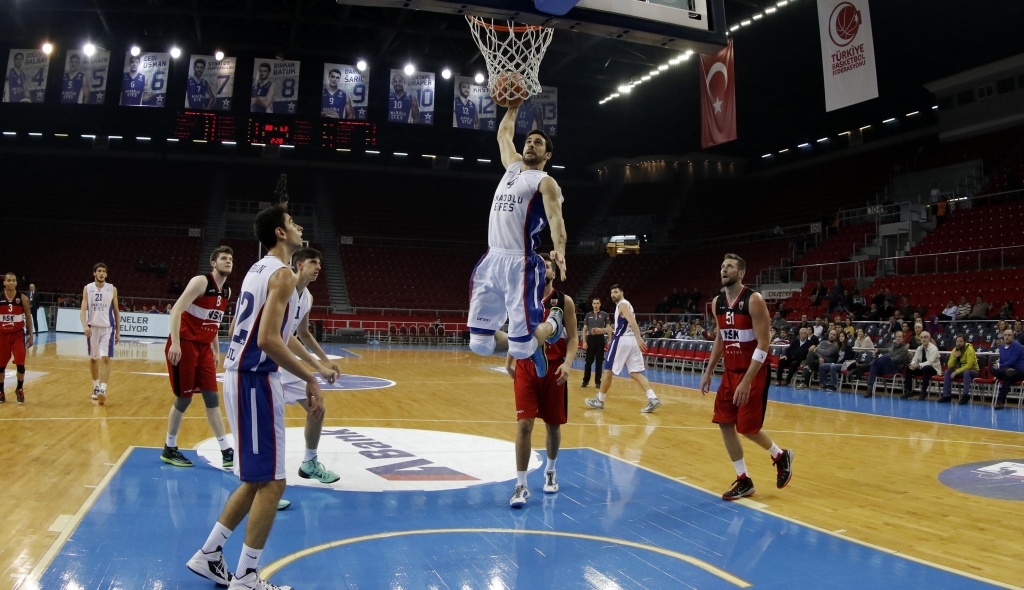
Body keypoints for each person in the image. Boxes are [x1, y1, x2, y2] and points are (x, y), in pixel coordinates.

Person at [186, 203, 323, 590]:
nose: (299, 227)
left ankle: (209, 554)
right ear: (280, 233)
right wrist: (311, 378)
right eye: (293, 223)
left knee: (255, 479)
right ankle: (246, 577)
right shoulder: (280, 275)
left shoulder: (255, 268)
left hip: (241, 375)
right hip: (254, 379)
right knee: (275, 482)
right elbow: (267, 339)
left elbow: (241, 327)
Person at [467, 105, 566, 378]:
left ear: (547, 154)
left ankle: (552, 325)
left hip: (520, 263)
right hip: (491, 259)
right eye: (528, 141)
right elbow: (503, 134)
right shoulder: (512, 167)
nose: (531, 145)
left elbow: (557, 221)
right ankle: (527, 341)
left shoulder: (546, 182)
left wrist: (560, 250)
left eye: (538, 143)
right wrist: (513, 107)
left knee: (521, 349)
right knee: (480, 344)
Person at [699, 254, 793, 501]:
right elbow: (721, 338)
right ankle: (744, 480)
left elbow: (764, 344)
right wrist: (709, 372)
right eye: (722, 266)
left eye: (729, 266)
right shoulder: (716, 302)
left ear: (741, 273)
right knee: (724, 422)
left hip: (754, 372)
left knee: (747, 429)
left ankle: (780, 455)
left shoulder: (754, 300)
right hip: (730, 373)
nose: (724, 269)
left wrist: (747, 380)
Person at [505, 255, 577, 508]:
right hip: (525, 366)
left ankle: (550, 470)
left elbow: (573, 338)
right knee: (524, 425)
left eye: (548, 265)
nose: (544, 268)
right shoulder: (523, 298)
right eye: (541, 265)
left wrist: (568, 364)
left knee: (552, 425)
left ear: (554, 273)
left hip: (554, 368)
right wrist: (508, 361)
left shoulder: (564, 300)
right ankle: (521, 485)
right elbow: (516, 332)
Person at [160, 246, 235, 469]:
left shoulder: (227, 292)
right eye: (223, 258)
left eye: (230, 259)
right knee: (184, 399)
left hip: (204, 348)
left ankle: (226, 450)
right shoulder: (201, 282)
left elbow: (213, 321)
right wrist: (175, 342)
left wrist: (215, 348)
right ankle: (169, 447)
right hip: (184, 345)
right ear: (213, 263)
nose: (228, 261)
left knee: (212, 399)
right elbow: (176, 310)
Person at [277, 247, 342, 484]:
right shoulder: (284, 290)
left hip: (284, 360)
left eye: (320, 264)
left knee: (317, 409)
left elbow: (303, 333)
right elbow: (285, 336)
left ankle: (309, 462)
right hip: (268, 358)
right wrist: (317, 367)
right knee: (270, 421)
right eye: (313, 262)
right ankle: (262, 480)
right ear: (299, 265)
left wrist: (325, 360)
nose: (318, 268)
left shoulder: (307, 297)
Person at [584, 284, 663, 413]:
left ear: (622, 292)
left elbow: (632, 321)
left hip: (622, 341)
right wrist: (603, 330)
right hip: (630, 341)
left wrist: (639, 338)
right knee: (635, 373)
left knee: (608, 370)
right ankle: (653, 398)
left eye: (616, 292)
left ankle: (600, 400)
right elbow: (622, 326)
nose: (613, 295)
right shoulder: (623, 306)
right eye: (611, 293)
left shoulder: (623, 304)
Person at [80, 263, 120, 405]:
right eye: (99, 271)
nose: (101, 273)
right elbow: (83, 309)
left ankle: (103, 389)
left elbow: (116, 311)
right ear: (94, 273)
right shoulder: (87, 288)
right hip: (92, 328)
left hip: (107, 329)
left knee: (106, 359)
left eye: (104, 271)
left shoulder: (112, 289)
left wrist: (118, 331)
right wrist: (84, 325)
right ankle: (96, 387)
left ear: (106, 274)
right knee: (93, 359)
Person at [0, 272, 34, 403]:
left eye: (13, 280)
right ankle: (1, 390)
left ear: (16, 282)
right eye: (9, 280)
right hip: (2, 335)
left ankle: (19, 388)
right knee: (1, 366)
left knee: (21, 365)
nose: (11, 282)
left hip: (18, 335)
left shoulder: (23, 298)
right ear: (4, 282)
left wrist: (31, 336)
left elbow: (29, 317)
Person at [863, 330, 909, 398]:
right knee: (874, 367)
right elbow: (887, 350)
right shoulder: (894, 345)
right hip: (887, 367)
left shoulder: (904, 349)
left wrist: (886, 358)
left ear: (903, 338)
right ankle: (869, 390)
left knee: (887, 357)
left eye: (900, 337)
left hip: (895, 369)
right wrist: (878, 350)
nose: (898, 338)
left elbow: (896, 359)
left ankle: (867, 365)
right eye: (897, 337)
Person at [938, 334, 978, 405]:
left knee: (966, 372)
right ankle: (946, 396)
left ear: (964, 342)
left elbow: (969, 365)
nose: (959, 343)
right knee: (947, 372)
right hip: (960, 371)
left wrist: (956, 371)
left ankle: (965, 396)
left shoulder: (970, 349)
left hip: (973, 370)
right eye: (957, 341)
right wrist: (955, 357)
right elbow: (949, 365)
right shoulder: (954, 350)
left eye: (961, 341)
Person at [901, 331, 940, 400]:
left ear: (929, 338)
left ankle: (923, 392)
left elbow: (930, 362)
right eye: (922, 337)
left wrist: (918, 365)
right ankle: (908, 391)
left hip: (933, 369)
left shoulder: (934, 348)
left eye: (925, 337)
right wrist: (912, 365)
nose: (923, 339)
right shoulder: (919, 348)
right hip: (922, 368)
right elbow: (914, 359)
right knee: (908, 367)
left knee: (926, 368)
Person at [991, 329, 1024, 410]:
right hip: (1006, 370)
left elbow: (1012, 361)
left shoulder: (1017, 346)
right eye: (1005, 335)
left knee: (1008, 375)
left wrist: (1000, 367)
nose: (1007, 337)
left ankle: (1000, 402)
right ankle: (1000, 402)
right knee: (993, 368)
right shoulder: (1001, 347)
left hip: (1019, 371)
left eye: (1009, 335)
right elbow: (1002, 361)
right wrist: (999, 368)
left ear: (1013, 337)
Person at [581, 297, 609, 388]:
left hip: (600, 339)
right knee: (588, 362)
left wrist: (610, 339)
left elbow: (608, 328)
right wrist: (584, 342)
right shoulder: (588, 315)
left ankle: (598, 382)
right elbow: (585, 329)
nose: (596, 305)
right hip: (590, 339)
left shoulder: (604, 314)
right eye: (594, 303)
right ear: (592, 304)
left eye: (597, 303)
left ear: (600, 304)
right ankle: (585, 381)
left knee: (599, 362)